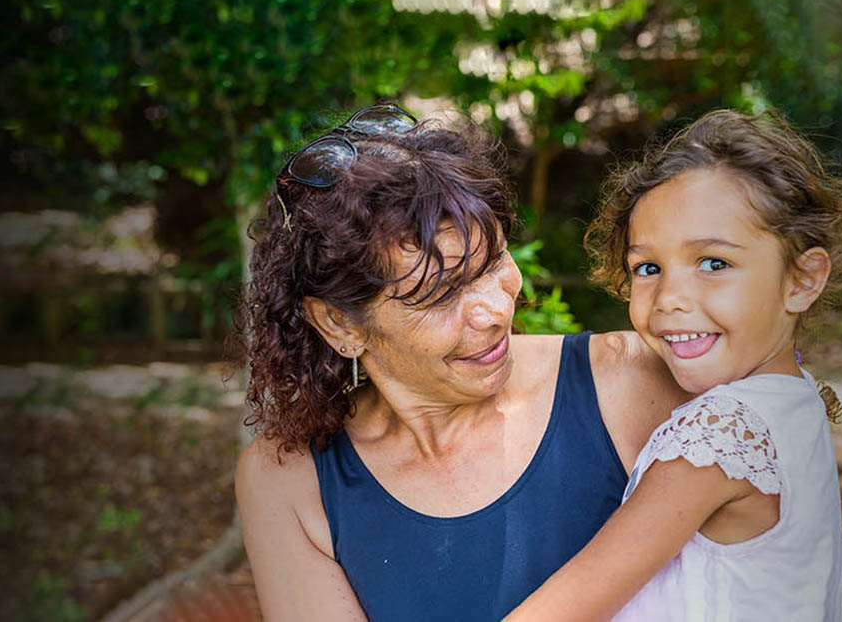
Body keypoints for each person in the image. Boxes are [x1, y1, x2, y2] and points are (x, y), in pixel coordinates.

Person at [232, 104, 690, 622]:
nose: (495, 311)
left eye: (494, 260)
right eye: (441, 295)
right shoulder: (291, 480)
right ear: (341, 325)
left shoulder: (632, 381)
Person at [503, 109, 842, 621]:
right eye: (648, 268)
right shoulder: (796, 403)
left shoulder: (720, 435)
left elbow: (563, 611)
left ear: (801, 279)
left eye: (714, 263)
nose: (668, 298)